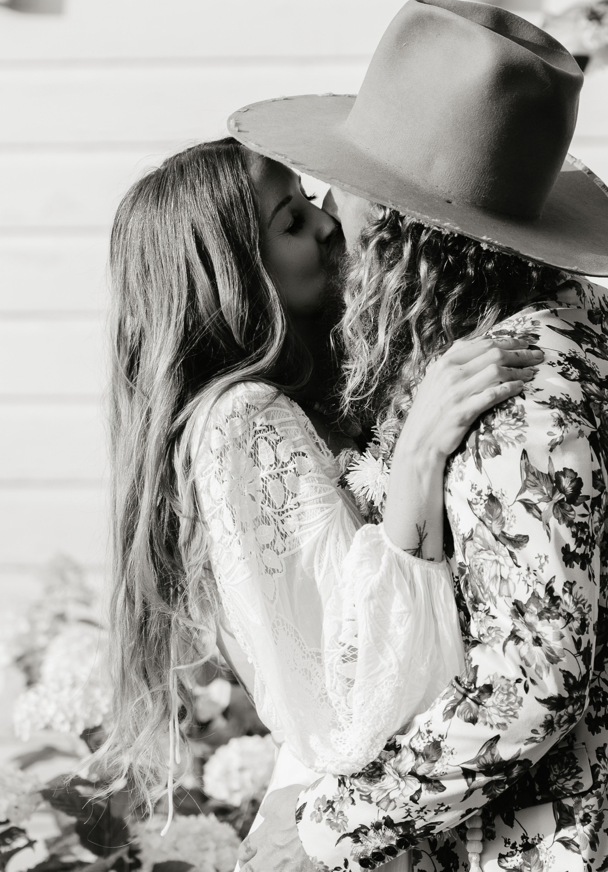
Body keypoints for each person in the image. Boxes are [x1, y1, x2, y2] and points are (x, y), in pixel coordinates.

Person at [231, 0, 608, 872]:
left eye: (341, 193)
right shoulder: (602, 328)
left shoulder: (515, 389)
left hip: (572, 848)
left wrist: (329, 827)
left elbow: (533, 680)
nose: (327, 213)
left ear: (402, 230)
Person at [90, 137, 547, 835]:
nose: (327, 223)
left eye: (307, 198)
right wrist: (421, 451)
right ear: (236, 274)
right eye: (291, 222)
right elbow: (354, 689)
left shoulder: (297, 402)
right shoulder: (244, 421)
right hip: (342, 827)